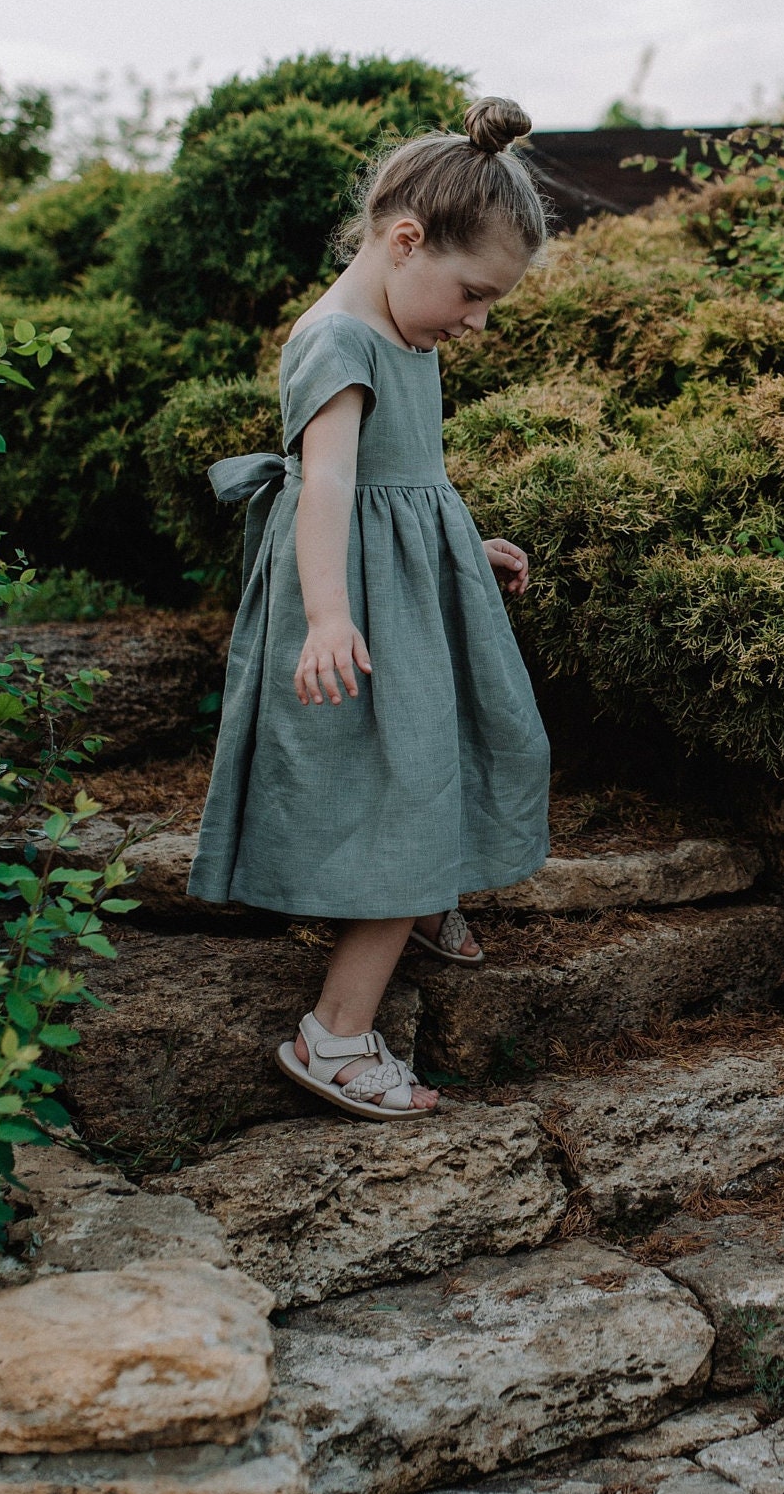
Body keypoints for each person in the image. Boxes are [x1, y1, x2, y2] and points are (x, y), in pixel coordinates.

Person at [188, 97, 552, 1119]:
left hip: (402, 581)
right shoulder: (338, 343)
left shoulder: (405, 335)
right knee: (400, 792)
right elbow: (329, 490)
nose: (478, 321)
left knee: (469, 752)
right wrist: (329, 618)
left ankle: (429, 886)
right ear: (404, 242)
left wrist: (456, 545)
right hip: (349, 599)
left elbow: (394, 486)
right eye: (474, 293)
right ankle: (334, 1036)